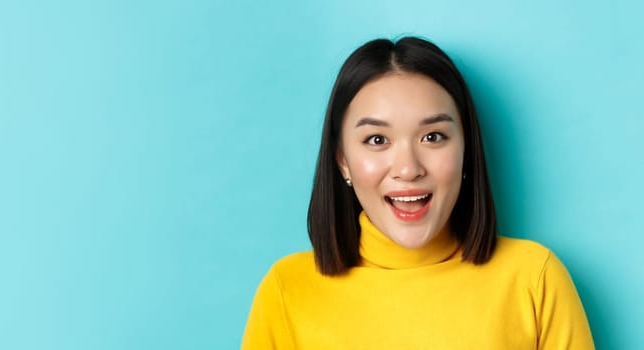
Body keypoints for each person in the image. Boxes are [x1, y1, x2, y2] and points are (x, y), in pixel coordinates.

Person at [241, 37, 594, 349]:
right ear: (343, 161)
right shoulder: (288, 290)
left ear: (466, 151)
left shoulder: (534, 279)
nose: (408, 168)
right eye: (377, 140)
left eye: (433, 137)